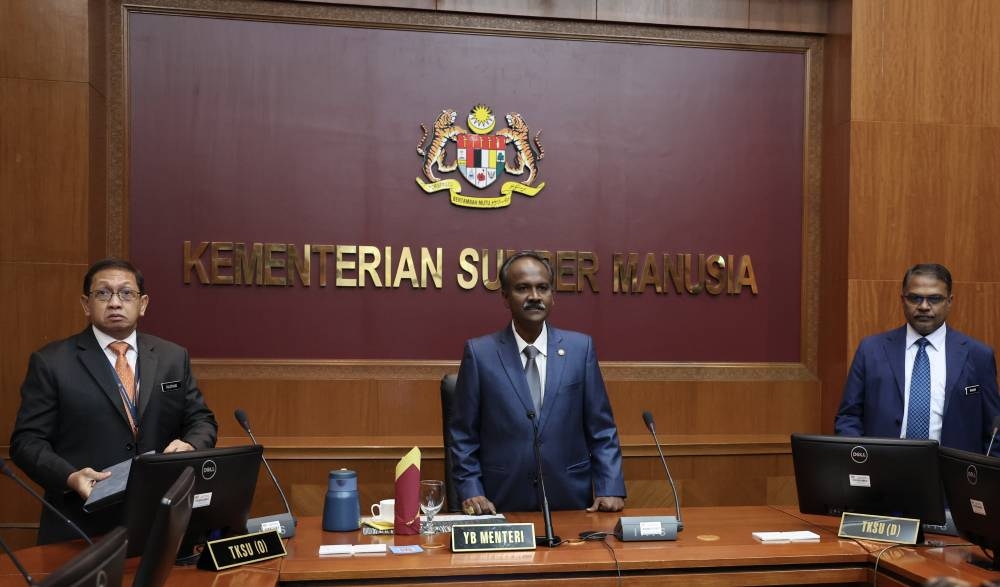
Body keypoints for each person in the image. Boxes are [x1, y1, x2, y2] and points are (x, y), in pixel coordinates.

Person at [10, 258, 218, 544]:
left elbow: (201, 420)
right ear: (86, 304)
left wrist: (192, 445)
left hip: (158, 521)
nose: (115, 303)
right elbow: (26, 442)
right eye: (103, 293)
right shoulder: (51, 362)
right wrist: (70, 477)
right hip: (81, 524)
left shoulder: (172, 358)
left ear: (143, 304)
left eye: (126, 293)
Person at [448, 251, 626, 515]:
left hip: (570, 502)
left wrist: (610, 486)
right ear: (505, 297)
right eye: (522, 288)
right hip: (501, 504)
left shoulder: (580, 349)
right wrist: (472, 491)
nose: (534, 296)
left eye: (542, 288)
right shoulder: (479, 353)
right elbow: (463, 436)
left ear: (552, 296)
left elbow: (602, 429)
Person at [835, 263, 1000, 454]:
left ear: (949, 301)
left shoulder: (978, 355)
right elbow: (849, 417)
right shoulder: (871, 350)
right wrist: (860, 462)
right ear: (903, 300)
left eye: (934, 299)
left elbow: (994, 429)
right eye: (915, 298)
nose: (923, 306)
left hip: (952, 476)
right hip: (883, 471)